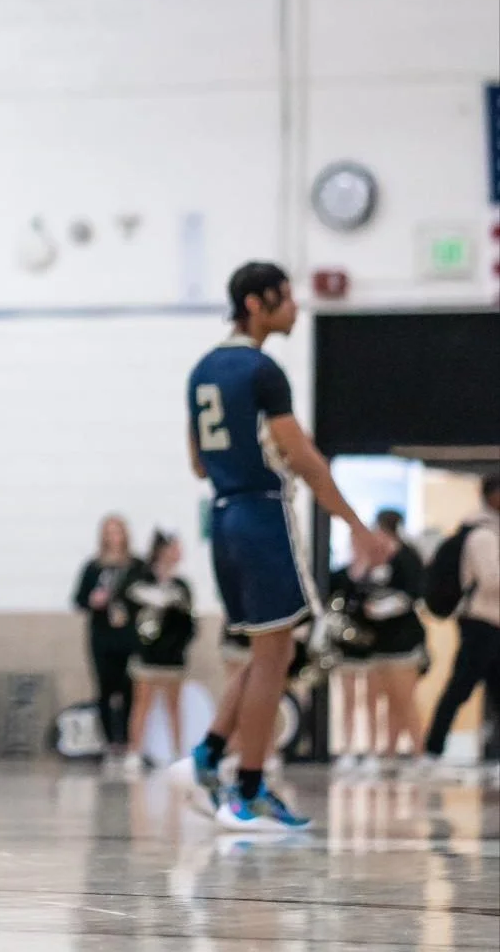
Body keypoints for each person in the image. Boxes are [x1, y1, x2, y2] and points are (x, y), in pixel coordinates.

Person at [170, 261, 390, 831]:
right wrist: (357, 527)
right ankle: (247, 790)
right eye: (285, 298)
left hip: (223, 516)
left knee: (267, 652)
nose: (295, 308)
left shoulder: (202, 370)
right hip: (262, 513)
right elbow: (303, 458)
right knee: (275, 656)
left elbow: (198, 464)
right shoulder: (262, 370)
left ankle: (207, 757)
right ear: (255, 304)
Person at [328, 510, 426, 777]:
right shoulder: (362, 567)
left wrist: (384, 608)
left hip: (402, 645)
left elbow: (413, 595)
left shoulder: (406, 558)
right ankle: (386, 753)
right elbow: (350, 595)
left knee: (402, 700)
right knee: (379, 699)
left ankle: (418, 754)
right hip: (372, 645)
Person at [421, 473, 500, 770]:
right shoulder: (483, 535)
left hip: (493, 624)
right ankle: (432, 751)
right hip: (480, 624)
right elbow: (492, 580)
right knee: (460, 688)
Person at [119, 531, 195, 772]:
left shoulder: (181, 586)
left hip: (173, 656)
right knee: (142, 703)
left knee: (174, 705)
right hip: (147, 653)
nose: (178, 552)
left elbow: (188, 623)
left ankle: (177, 752)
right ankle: (134, 751)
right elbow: (128, 610)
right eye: (174, 547)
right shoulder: (140, 580)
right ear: (162, 550)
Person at [71, 514, 143, 766]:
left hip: (128, 635)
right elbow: (78, 599)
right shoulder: (94, 567)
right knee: (105, 687)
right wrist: (93, 601)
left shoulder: (136, 567)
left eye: (118, 531)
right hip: (102, 635)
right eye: (109, 532)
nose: (114, 537)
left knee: (129, 687)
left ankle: (128, 739)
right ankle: (109, 741)